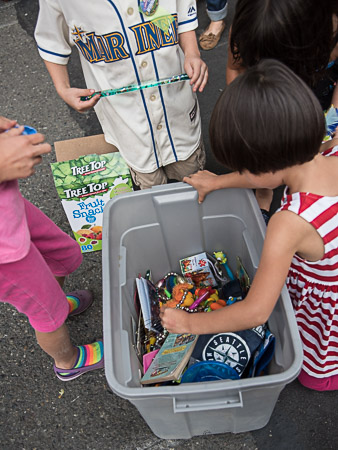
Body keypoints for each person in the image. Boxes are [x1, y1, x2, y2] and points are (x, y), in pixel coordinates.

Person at [161, 60, 338, 391]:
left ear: (264, 163)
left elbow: (256, 312)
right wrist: (220, 182)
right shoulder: (329, 149)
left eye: (244, 167)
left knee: (314, 377)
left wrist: (190, 322)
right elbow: (272, 169)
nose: (243, 173)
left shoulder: (289, 223)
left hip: (326, 308)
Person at [34, 1, 208, 190]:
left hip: (176, 105)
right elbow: (51, 40)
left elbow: (182, 13)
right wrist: (63, 88)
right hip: (126, 118)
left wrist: (192, 53)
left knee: (192, 176)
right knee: (150, 184)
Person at [0, 117, 104, 381]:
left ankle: (55, 304)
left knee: (64, 254)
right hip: (4, 254)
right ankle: (67, 361)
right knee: (45, 312)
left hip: (7, 208)